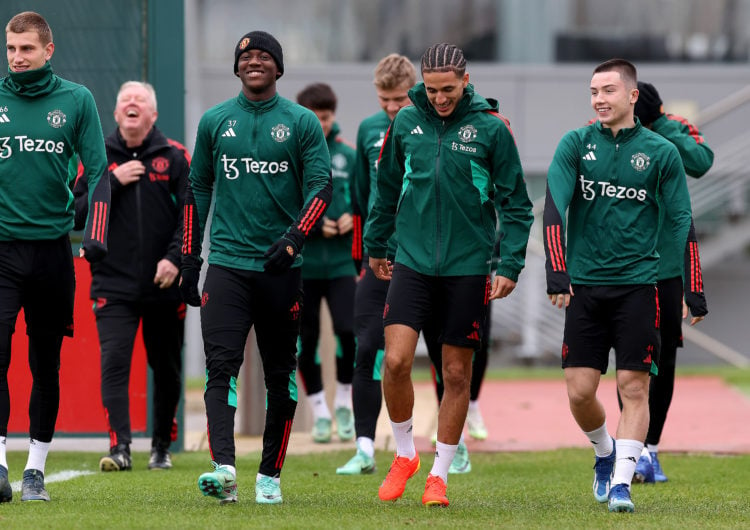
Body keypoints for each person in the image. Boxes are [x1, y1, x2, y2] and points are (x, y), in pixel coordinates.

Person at [364, 43, 533, 507]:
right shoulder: (405, 122)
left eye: (449, 90)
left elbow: (516, 205)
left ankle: (438, 474)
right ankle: (404, 455)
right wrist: (375, 244)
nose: (440, 98)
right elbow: (387, 186)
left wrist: (510, 263)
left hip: (467, 266)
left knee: (455, 372)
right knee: (396, 361)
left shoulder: (492, 129)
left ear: (465, 80)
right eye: (432, 89)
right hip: (412, 260)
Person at [180, 30, 332, 505]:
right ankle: (224, 469)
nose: (255, 62)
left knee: (280, 374)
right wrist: (190, 258)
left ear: (279, 68)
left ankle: (270, 476)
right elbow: (197, 189)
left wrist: (294, 239)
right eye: (246, 57)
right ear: (236, 68)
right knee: (219, 369)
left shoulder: (302, 122)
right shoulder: (214, 121)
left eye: (265, 56)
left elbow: (321, 188)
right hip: (226, 265)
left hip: (281, 269)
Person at [543, 59, 693, 513]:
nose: (599, 99)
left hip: (638, 287)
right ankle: (605, 453)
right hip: (585, 288)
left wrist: (687, 284)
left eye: (608, 90)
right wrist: (557, 270)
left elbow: (681, 220)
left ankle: (623, 484)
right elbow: (554, 204)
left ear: (632, 96)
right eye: (593, 92)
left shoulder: (662, 152)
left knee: (634, 386)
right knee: (580, 391)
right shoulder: (575, 143)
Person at [0, 11, 110, 503]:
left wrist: (95, 233)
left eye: (26, 49)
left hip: (51, 252)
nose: (17, 58)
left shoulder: (76, 99)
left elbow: (100, 173)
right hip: (1, 250)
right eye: (10, 48)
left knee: (46, 365)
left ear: (48, 50)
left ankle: (35, 472)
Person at [73, 81, 190, 473]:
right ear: (116, 113)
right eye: (126, 99)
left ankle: (161, 447)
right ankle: (119, 447)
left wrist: (175, 260)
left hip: (164, 284)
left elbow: (189, 218)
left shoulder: (175, 157)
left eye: (140, 100)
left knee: (167, 367)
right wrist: (114, 181)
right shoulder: (98, 158)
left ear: (153, 115)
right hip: (113, 283)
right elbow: (76, 213)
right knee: (115, 364)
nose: (132, 104)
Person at [336, 53, 416, 476]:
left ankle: (451, 446)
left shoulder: (428, 125)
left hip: (423, 259)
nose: (390, 107)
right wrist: (365, 253)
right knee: (366, 347)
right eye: (384, 99)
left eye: (399, 99)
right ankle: (365, 447)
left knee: (443, 355)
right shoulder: (368, 130)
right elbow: (365, 197)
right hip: (380, 258)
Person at [629, 81, 711, 483]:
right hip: (623, 263)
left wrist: (660, 131)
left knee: (664, 360)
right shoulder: (605, 131)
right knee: (632, 360)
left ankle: (651, 450)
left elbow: (702, 161)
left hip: (666, 267)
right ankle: (629, 450)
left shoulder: (671, 128)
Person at [295, 82, 357, 444]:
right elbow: (285, 205)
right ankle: (319, 411)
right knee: (306, 341)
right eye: (315, 117)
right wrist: (316, 225)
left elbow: (364, 201)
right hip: (303, 265)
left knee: (349, 333)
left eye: (327, 116)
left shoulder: (347, 155)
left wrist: (352, 220)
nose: (321, 124)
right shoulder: (292, 155)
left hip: (341, 265)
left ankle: (344, 401)